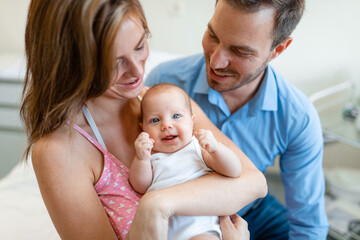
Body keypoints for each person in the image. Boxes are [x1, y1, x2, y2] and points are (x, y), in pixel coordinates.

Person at [20, 0, 267, 239]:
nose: (138, 72)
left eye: (139, 46)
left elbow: (254, 182)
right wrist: (156, 208)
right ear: (70, 65)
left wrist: (159, 203)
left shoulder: (166, 105)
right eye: (114, 63)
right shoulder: (61, 150)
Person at [145, 0, 329, 239]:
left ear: (278, 50)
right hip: (179, 216)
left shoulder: (298, 117)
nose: (216, 61)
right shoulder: (165, 83)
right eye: (212, 35)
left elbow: (308, 226)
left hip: (251, 211)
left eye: (240, 51)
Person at [129, 83, 242, 240]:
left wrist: (216, 150)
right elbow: (140, 186)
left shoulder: (197, 148)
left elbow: (234, 170)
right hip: (164, 229)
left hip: (201, 226)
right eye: (155, 120)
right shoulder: (151, 157)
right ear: (143, 128)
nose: (166, 125)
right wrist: (141, 158)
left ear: (192, 121)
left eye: (176, 116)